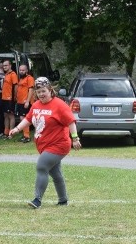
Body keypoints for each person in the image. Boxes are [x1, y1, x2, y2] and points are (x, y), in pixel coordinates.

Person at [8, 77, 81, 208]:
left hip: (59, 145)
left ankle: (37, 200)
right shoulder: (36, 105)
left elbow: (71, 121)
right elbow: (29, 119)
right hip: (44, 145)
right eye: (38, 91)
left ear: (50, 90)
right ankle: (63, 200)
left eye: (43, 91)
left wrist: (75, 139)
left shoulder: (59, 105)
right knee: (55, 173)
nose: (41, 94)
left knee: (42, 166)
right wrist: (17, 129)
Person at [14, 64, 35, 143]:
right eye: (20, 70)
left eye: (23, 70)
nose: (21, 71)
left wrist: (27, 101)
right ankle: (25, 135)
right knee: (22, 118)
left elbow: (31, 90)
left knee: (25, 119)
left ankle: (27, 136)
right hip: (20, 102)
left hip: (25, 102)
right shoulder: (21, 79)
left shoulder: (29, 78)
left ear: (26, 70)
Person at [1, 59, 19, 137]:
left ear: (10, 65)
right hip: (4, 98)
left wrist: (14, 97)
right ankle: (6, 132)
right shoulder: (6, 74)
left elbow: (16, 86)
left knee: (11, 115)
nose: (4, 67)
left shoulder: (13, 74)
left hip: (10, 98)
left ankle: (11, 134)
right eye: (3, 65)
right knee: (5, 115)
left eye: (6, 65)